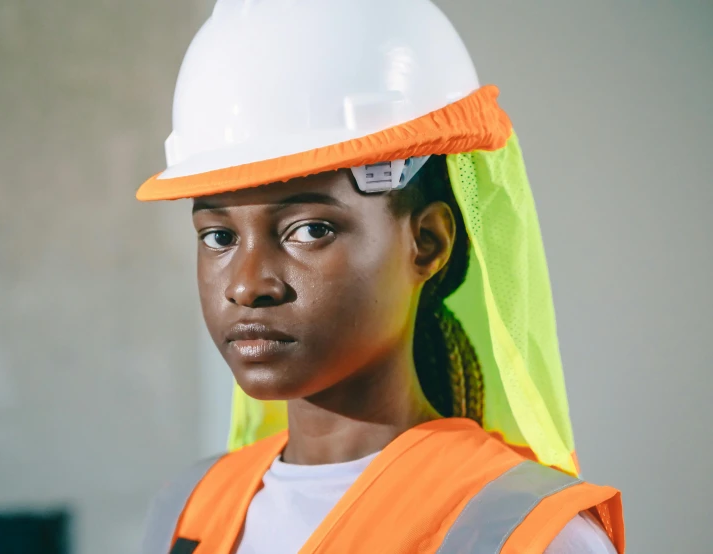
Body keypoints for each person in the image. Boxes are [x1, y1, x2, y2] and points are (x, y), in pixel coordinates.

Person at [137, 1, 625, 552]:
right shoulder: (189, 508)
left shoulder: (524, 535)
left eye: (311, 229)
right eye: (219, 237)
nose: (248, 285)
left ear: (427, 242)